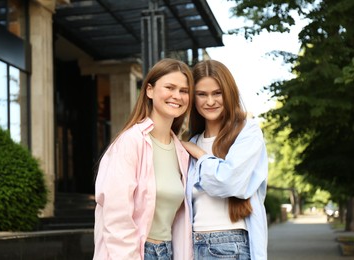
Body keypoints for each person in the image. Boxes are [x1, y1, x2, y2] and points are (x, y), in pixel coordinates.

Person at [93, 58, 194, 260]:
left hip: (168, 252)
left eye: (184, 90)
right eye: (170, 87)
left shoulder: (181, 152)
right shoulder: (130, 142)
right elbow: (117, 216)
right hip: (137, 252)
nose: (177, 96)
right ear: (149, 90)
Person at [181, 60, 268, 260]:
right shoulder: (192, 141)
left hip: (229, 244)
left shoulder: (247, 132)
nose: (210, 101)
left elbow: (228, 182)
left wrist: (200, 155)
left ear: (228, 93)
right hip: (194, 244)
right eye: (202, 94)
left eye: (217, 93)